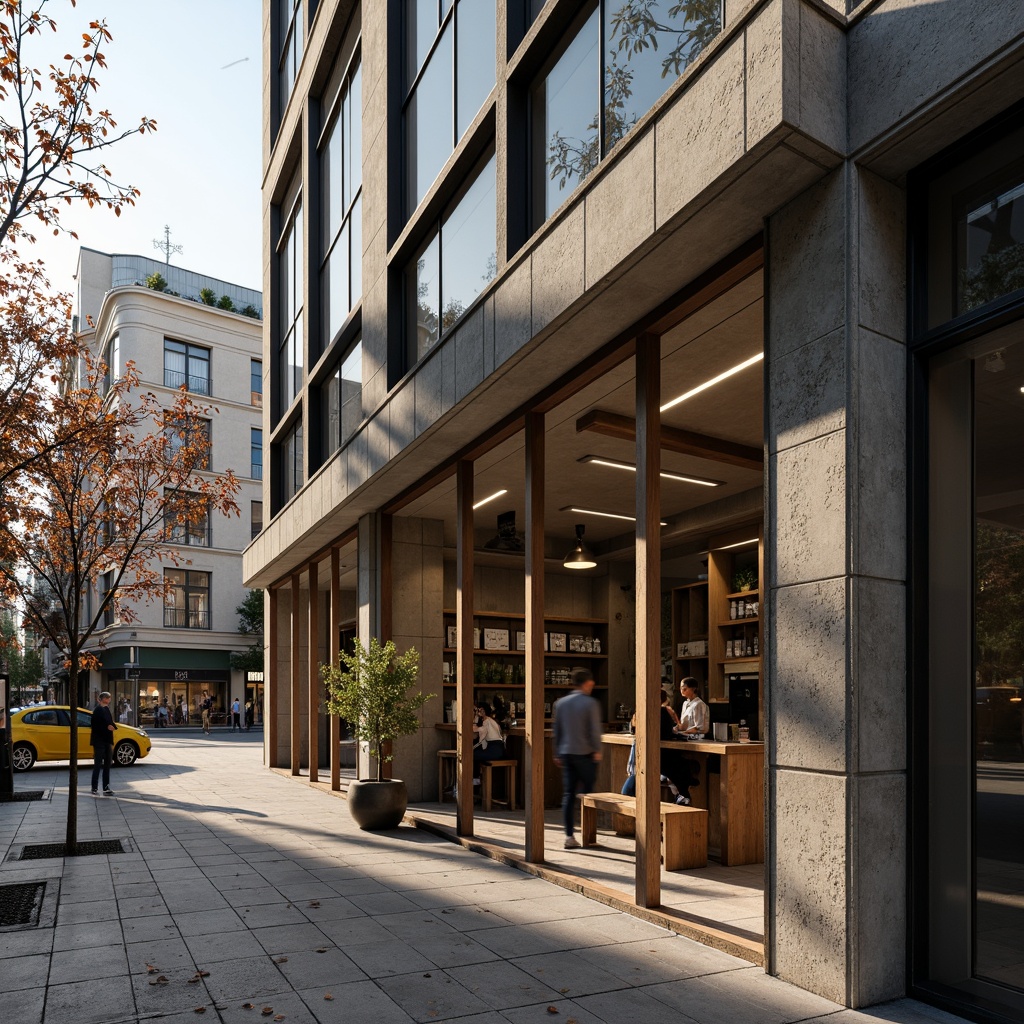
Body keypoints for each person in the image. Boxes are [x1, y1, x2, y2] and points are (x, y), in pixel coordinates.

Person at [552, 667, 602, 849]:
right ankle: (589, 832)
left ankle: (569, 836)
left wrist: (556, 751)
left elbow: (556, 730)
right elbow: (594, 730)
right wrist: (597, 749)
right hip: (585, 753)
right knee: (589, 792)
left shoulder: (561, 703)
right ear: (587, 683)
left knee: (568, 794)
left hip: (566, 752)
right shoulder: (590, 703)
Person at [90, 691, 116, 795]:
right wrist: (107, 727)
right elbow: (96, 725)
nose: (109, 699)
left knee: (107, 763)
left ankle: (106, 787)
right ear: (103, 699)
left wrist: (113, 726)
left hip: (107, 740)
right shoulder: (98, 710)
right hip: (99, 740)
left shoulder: (106, 709)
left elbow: (110, 722)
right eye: (108, 698)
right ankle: (94, 787)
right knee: (98, 764)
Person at [472, 704, 505, 783]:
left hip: (494, 750)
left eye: (481, 710)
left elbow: (480, 733)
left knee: (472, 754)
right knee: (475, 753)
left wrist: (474, 721)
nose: (479, 712)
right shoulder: (491, 720)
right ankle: (476, 779)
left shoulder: (486, 721)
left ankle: (475, 781)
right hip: (499, 749)